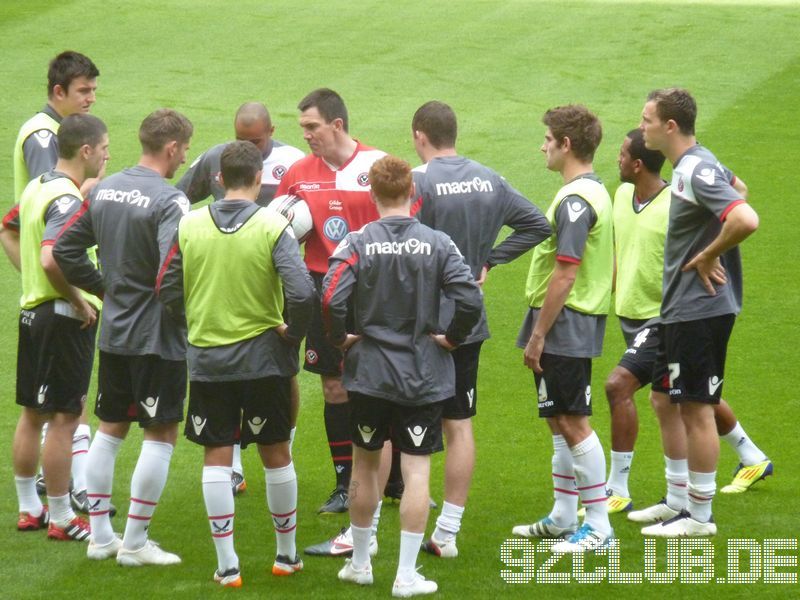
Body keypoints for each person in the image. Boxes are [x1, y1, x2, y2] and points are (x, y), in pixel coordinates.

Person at [157, 141, 316, 587]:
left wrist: (193, 322)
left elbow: (166, 285)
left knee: (216, 455)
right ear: (262, 179)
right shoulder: (273, 224)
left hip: (209, 359)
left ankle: (227, 565)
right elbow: (302, 292)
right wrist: (292, 334)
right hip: (265, 359)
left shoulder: (188, 225)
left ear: (219, 180)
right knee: (276, 452)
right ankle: (286, 555)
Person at [323, 155, 483, 596]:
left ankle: (359, 563)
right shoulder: (438, 242)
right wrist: (452, 338)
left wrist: (341, 337)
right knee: (416, 472)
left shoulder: (355, 242)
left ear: (372, 195)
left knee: (365, 463)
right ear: (413, 193)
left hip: (370, 372)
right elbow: (469, 298)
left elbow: (331, 295)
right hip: (421, 373)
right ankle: (406, 575)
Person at [603, 129, 772, 516]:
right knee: (677, 397)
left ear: (639, 161)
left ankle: (627, 490)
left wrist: (712, 251)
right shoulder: (623, 194)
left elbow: (738, 209)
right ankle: (745, 460)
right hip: (634, 311)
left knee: (629, 387)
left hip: (664, 314)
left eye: (648, 120)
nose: (616, 158)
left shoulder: (679, 193)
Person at [409, 100, 551, 558]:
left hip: (421, 323)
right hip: (468, 322)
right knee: (459, 426)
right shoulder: (490, 178)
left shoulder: (416, 181)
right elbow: (537, 224)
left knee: (403, 426)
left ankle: (371, 536)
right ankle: (447, 534)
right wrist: (490, 259)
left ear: (419, 135)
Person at [53, 109, 194, 563]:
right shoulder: (170, 200)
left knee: (110, 429)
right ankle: (134, 543)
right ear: (171, 148)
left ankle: (99, 538)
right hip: (156, 336)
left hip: (114, 333)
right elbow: (171, 270)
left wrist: (105, 288)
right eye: (185, 150)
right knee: (160, 433)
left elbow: (65, 250)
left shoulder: (105, 188)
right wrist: (182, 314)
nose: (185, 159)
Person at [635, 88, 759, 537]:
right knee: (664, 398)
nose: (642, 125)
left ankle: (700, 518)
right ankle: (676, 501)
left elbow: (745, 217)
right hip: (680, 308)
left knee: (697, 409)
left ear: (670, 126)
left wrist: (709, 254)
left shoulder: (693, 169)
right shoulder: (697, 164)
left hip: (699, 309)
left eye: (648, 119)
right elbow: (737, 188)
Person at [176, 101, 305, 495]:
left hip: (274, 280)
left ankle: (284, 440)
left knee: (285, 374)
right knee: (230, 388)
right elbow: (179, 197)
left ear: (272, 130)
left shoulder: (294, 162)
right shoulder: (217, 158)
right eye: (242, 138)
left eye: (256, 139)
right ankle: (232, 465)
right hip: (224, 280)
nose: (249, 145)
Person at [275, 88, 386, 514]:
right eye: (302, 127)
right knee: (335, 386)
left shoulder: (377, 167)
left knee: (382, 382)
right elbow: (279, 232)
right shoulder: (299, 175)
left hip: (373, 286)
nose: (305, 135)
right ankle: (345, 483)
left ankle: (392, 478)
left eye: (311, 127)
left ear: (336, 125)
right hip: (323, 286)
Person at [511, 105, 614, 553]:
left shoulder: (575, 202)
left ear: (566, 144)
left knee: (573, 421)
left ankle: (599, 527)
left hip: (565, 323)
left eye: (548, 139)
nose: (543, 146)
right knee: (557, 419)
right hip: (565, 320)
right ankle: (563, 516)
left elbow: (566, 274)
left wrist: (539, 334)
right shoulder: (590, 191)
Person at [4, 50, 101, 512]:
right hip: (59, 304)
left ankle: (31, 505)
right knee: (66, 413)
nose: (91, 99)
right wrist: (75, 295)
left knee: (35, 411)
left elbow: (13, 223)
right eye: (83, 91)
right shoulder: (48, 140)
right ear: (58, 92)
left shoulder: (35, 153)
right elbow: (54, 249)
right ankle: (65, 501)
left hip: (36, 303)